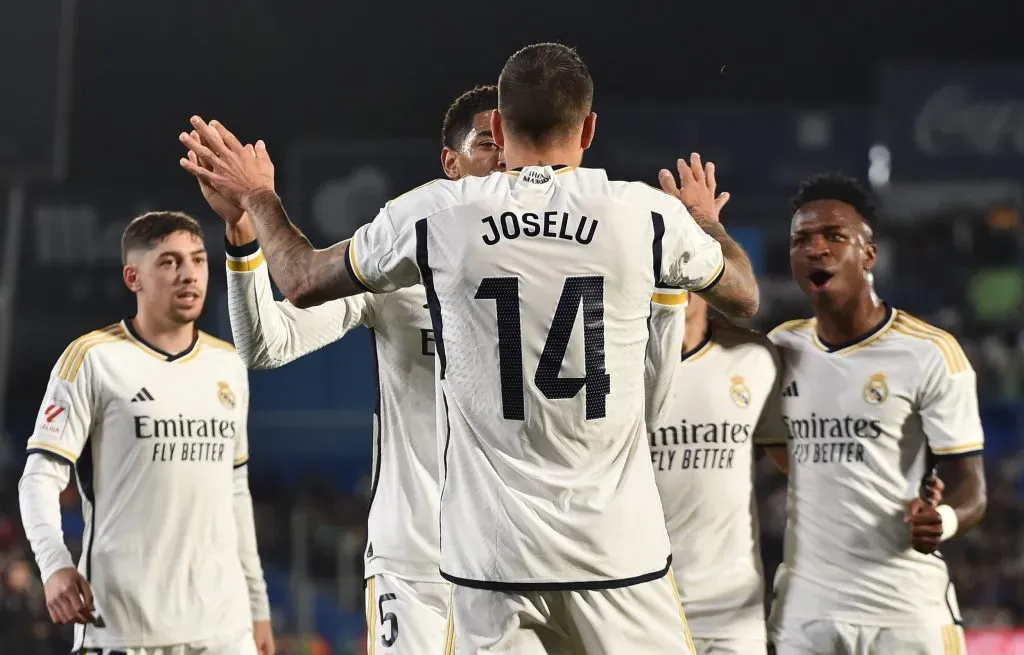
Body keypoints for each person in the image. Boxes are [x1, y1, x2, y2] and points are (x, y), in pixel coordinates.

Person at [180, 42, 759, 654]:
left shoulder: (433, 223)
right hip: (456, 557)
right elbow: (268, 343)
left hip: (491, 558)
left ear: (509, 131)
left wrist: (261, 199)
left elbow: (300, 276)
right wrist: (244, 237)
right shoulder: (633, 219)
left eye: (496, 139)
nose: (497, 155)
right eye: (480, 144)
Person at [18, 212, 275, 655]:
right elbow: (39, 478)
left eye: (197, 259)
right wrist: (54, 564)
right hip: (123, 624)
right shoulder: (93, 359)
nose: (189, 274)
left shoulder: (228, 364)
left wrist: (258, 607)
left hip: (223, 629)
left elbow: (235, 491)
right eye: (170, 262)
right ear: (133, 277)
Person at [765, 173, 987, 655]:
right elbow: (785, 452)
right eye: (801, 239)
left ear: (869, 253)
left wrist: (942, 520)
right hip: (807, 610)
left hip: (905, 608)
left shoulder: (929, 353)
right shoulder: (781, 349)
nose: (816, 249)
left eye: (834, 236)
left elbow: (973, 487)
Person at [647, 284, 787, 655]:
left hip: (733, 610)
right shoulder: (614, 371)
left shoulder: (753, 358)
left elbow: (788, 460)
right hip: (644, 605)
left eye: (685, 271)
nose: (675, 281)